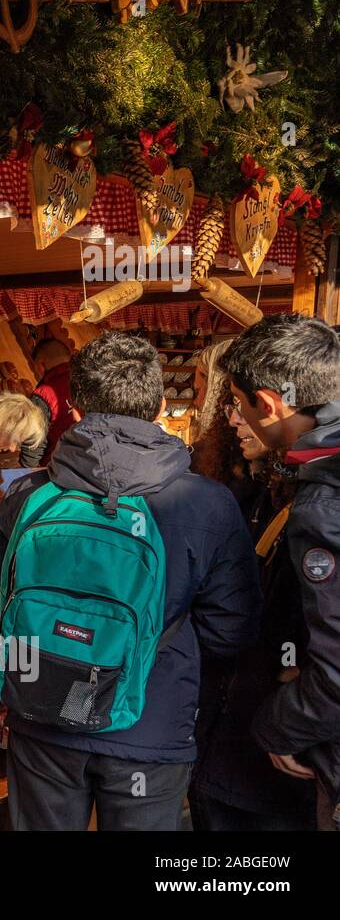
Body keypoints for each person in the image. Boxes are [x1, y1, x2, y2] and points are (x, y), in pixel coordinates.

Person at [0, 331, 261, 830]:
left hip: (42, 720)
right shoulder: (208, 503)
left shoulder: (27, 493)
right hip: (151, 726)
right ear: (157, 406)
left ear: (74, 407)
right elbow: (231, 631)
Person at [219, 313, 340, 831]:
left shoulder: (325, 502)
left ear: (268, 404)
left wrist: (278, 723)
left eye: (239, 404)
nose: (235, 418)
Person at [188, 387, 315, 831]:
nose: (237, 420)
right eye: (230, 408)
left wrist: (292, 716)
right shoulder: (247, 498)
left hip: (271, 745)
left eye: (247, 408)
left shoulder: (310, 509)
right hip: (228, 735)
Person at [28, 338, 74, 462]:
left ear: (41, 365)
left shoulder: (44, 394)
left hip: (58, 466)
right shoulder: (91, 381)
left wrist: (26, 469)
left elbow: (34, 444)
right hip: (95, 464)